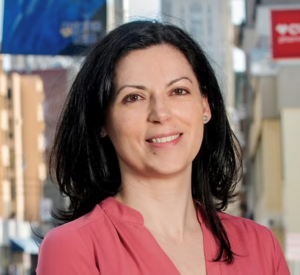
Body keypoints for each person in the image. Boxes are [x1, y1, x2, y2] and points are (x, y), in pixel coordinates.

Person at [36, 21, 290, 275]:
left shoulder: (261, 245)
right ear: (102, 121)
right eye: (134, 97)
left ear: (205, 106)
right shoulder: (72, 248)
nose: (161, 113)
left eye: (178, 91)